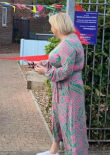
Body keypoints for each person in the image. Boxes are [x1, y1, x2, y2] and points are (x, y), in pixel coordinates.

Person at [33, 13, 89, 155]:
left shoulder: (68, 44)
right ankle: (54, 151)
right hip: (63, 90)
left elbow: (65, 71)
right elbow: (58, 61)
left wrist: (45, 72)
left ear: (58, 27)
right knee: (58, 119)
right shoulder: (69, 40)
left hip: (69, 91)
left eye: (52, 25)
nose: (51, 28)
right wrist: (43, 64)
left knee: (71, 124)